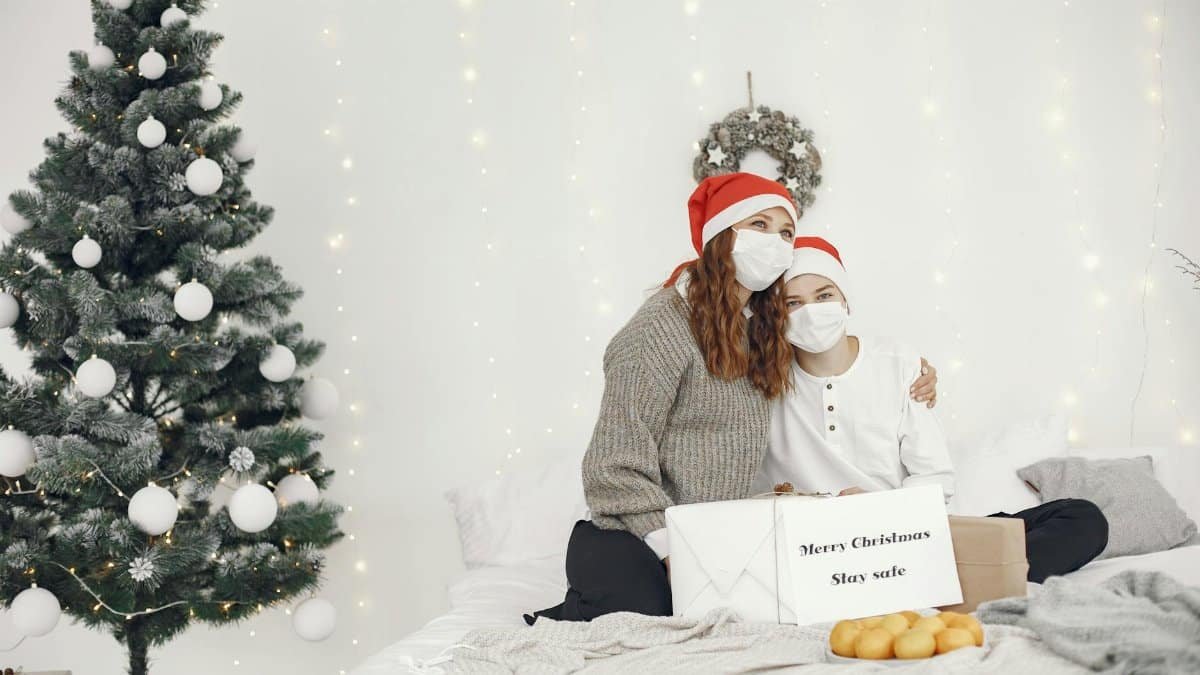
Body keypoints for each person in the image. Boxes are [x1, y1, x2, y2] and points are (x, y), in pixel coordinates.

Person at [526, 175, 940, 625]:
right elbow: (611, 466)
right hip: (634, 535)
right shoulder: (660, 328)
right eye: (759, 224)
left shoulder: (760, 331)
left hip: (713, 539)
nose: (775, 242)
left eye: (785, 232)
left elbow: (829, 364)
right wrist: (672, 551)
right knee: (646, 621)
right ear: (723, 235)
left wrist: (908, 372)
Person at [756, 236, 1108, 583]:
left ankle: (941, 575)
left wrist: (880, 509)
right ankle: (954, 579)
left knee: (1083, 518)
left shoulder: (898, 363)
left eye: (824, 296)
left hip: (910, 532)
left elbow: (936, 479)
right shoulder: (759, 383)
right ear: (776, 314)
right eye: (793, 303)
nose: (811, 312)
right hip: (820, 546)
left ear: (845, 300)